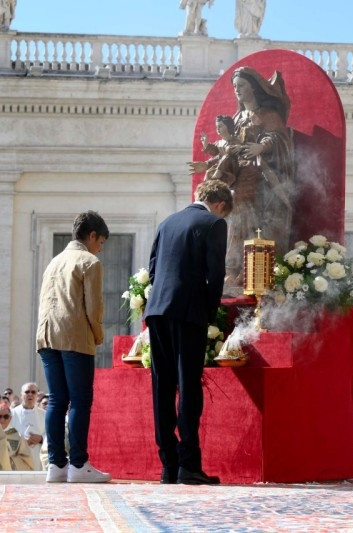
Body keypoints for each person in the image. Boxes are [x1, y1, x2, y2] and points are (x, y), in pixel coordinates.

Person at [145, 179, 232, 485]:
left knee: (162, 388)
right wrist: (209, 314)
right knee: (188, 388)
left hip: (157, 311)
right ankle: (189, 465)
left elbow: (153, 270)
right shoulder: (214, 223)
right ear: (220, 204)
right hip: (188, 313)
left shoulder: (167, 223)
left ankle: (168, 466)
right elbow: (216, 275)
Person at [189, 67, 294, 290]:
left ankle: (243, 270)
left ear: (253, 87)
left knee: (238, 202)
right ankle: (227, 267)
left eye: (242, 85)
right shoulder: (236, 118)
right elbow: (227, 148)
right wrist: (207, 164)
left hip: (260, 176)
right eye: (235, 86)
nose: (237, 90)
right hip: (236, 175)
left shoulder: (267, 114)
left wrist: (261, 147)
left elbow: (281, 138)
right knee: (220, 203)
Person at [36, 210, 110, 482]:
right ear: (92, 235)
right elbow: (94, 307)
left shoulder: (53, 262)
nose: (100, 248)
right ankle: (78, 464)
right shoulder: (90, 262)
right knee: (79, 400)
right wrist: (98, 334)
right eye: (100, 242)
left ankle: (56, 465)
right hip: (74, 336)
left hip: (46, 336)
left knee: (57, 399)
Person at [10, 382, 46, 471]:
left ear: (37, 396)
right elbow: (7, 435)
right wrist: (22, 442)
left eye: (33, 392)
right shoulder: (11, 414)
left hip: (38, 456)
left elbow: (50, 435)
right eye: (27, 392)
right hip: (19, 458)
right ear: (21, 395)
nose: (30, 394)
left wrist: (41, 439)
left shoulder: (44, 415)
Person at [2, 402, 34, 470]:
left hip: (10, 472)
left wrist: (8, 461)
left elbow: (26, 459)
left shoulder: (17, 436)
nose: (2, 420)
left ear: (10, 418)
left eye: (5, 417)